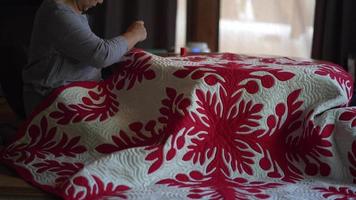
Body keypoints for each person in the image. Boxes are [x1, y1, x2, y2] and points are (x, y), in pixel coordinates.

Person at [22, 0, 147, 116]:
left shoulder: (71, 12)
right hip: (51, 99)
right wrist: (134, 34)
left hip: (79, 93)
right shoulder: (57, 12)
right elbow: (101, 55)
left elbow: (92, 52)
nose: (100, 1)